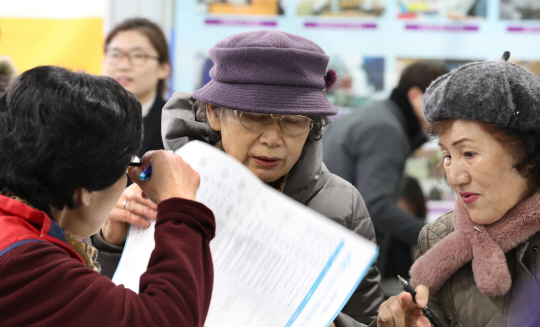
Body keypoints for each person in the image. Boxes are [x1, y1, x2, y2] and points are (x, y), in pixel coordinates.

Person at [95, 30, 384, 327]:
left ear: (313, 126)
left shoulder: (342, 204)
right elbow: (106, 308)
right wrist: (111, 243)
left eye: (294, 121)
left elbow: (368, 319)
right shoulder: (158, 186)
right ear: (214, 114)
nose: (272, 139)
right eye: (253, 116)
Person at [0, 66, 215, 327]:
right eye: (126, 166)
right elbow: (165, 321)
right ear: (85, 192)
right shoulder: (25, 260)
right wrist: (180, 205)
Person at [375, 53, 540, 326]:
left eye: (470, 153)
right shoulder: (438, 237)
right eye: (447, 155)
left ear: (529, 155)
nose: (455, 176)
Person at [322, 62, 448, 279]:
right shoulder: (386, 129)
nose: (447, 116)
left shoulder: (377, 116)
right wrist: (442, 238)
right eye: (443, 105)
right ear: (416, 96)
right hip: (339, 261)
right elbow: (376, 207)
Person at [102, 18, 170, 158]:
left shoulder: (176, 126)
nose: (123, 65)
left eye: (138, 56)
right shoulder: (87, 118)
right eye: (115, 54)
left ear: (163, 68)